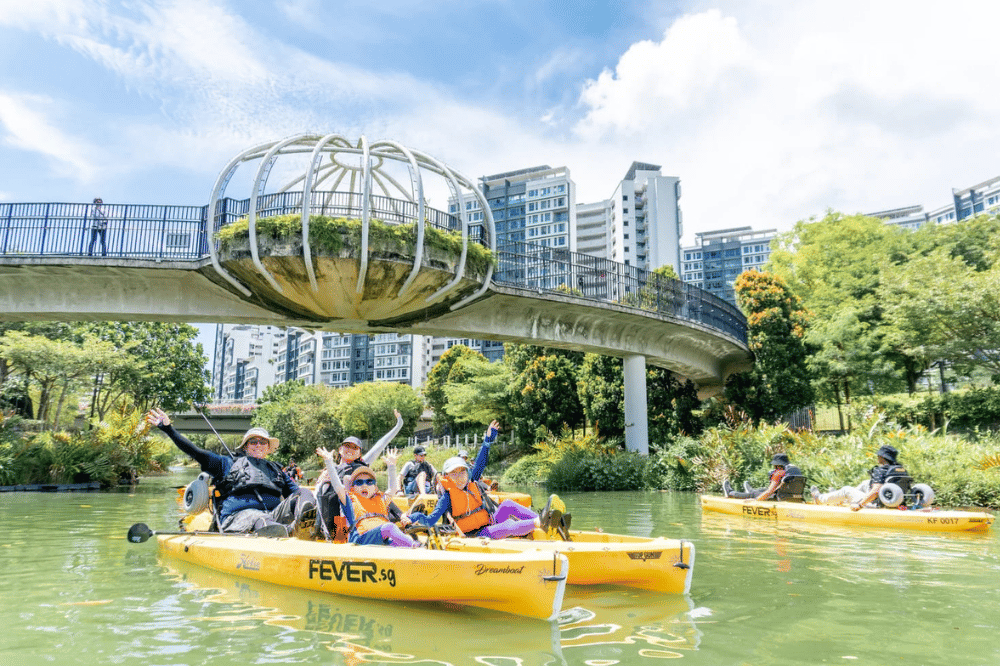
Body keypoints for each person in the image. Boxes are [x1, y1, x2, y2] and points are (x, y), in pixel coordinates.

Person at [146, 408, 315, 535]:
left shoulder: (276, 470)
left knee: (304, 494)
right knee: (259, 518)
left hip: (272, 516)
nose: (258, 445)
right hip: (237, 518)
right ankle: (286, 531)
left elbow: (296, 494)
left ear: (268, 447)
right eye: (253, 442)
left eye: (263, 442)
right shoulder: (226, 463)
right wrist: (168, 429)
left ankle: (304, 527)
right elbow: (196, 452)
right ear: (246, 447)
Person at [411, 420, 568, 539]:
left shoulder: (471, 481)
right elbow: (430, 521)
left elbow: (480, 462)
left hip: (489, 523)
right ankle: (539, 523)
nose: (460, 477)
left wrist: (487, 441)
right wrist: (412, 517)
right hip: (476, 535)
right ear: (447, 477)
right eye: (454, 474)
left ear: (467, 472)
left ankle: (547, 521)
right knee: (508, 525)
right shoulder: (447, 498)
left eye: (462, 472)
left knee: (507, 505)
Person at [314, 409, 404, 540]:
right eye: (347, 446)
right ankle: (320, 529)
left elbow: (381, 444)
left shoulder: (362, 468)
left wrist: (399, 423)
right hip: (335, 512)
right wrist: (324, 476)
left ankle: (400, 518)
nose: (350, 450)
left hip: (355, 512)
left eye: (355, 447)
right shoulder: (330, 470)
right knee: (324, 487)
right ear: (340, 449)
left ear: (359, 453)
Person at [315, 446, 419, 547]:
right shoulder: (349, 500)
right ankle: (416, 547)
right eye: (359, 482)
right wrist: (328, 461)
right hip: (359, 540)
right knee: (390, 528)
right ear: (353, 488)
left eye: (369, 482)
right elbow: (337, 486)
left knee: (397, 542)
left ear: (375, 488)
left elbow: (392, 489)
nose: (364, 485)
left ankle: (414, 548)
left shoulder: (381, 500)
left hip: (380, 538)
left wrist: (391, 466)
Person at [811, 445, 908, 511]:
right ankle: (837, 498)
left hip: (876, 505)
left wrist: (860, 505)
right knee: (866, 483)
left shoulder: (881, 470)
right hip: (895, 503)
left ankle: (819, 499)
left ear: (882, 457)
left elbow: (876, 491)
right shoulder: (900, 469)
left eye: (878, 455)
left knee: (846, 490)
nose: (877, 457)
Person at [723, 454, 803, 501]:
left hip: (778, 499)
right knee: (762, 490)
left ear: (778, 465)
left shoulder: (779, 473)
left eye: (775, 465)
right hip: (794, 498)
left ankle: (730, 493)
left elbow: (769, 491)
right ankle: (751, 490)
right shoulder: (795, 470)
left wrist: (756, 500)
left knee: (753, 494)